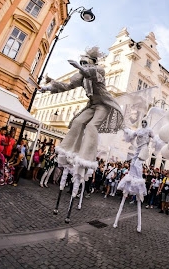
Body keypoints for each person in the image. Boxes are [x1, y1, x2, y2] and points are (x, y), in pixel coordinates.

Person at [39, 46, 124, 201]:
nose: (83, 66)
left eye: (85, 63)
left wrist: (80, 67)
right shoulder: (81, 76)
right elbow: (66, 86)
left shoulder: (99, 71)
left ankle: (86, 156)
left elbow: (92, 74)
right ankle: (69, 149)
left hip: (103, 105)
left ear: (92, 62)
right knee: (78, 122)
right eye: (81, 63)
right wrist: (47, 87)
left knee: (91, 126)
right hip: (92, 104)